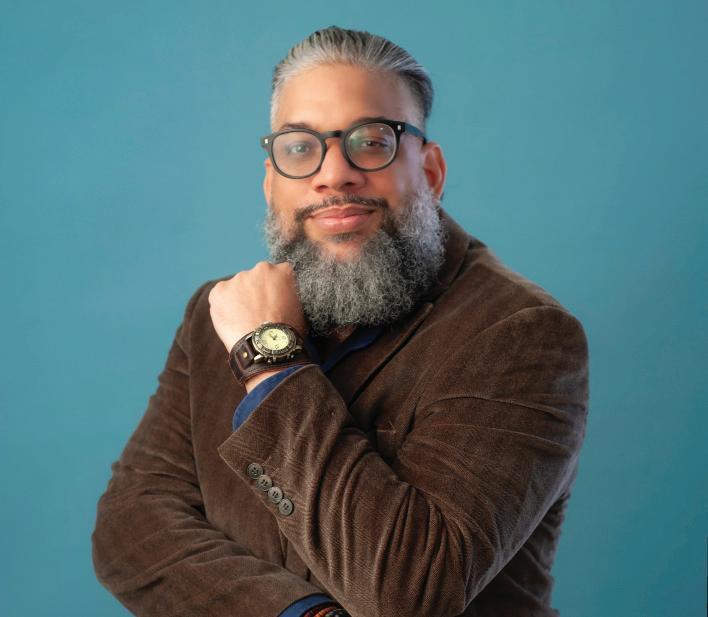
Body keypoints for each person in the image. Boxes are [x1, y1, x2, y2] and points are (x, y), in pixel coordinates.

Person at [92, 26, 589, 617]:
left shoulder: (521, 333)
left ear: (430, 172)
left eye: (371, 141)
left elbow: (412, 591)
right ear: (271, 183)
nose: (333, 175)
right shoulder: (217, 314)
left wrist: (269, 363)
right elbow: (131, 528)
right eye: (300, 148)